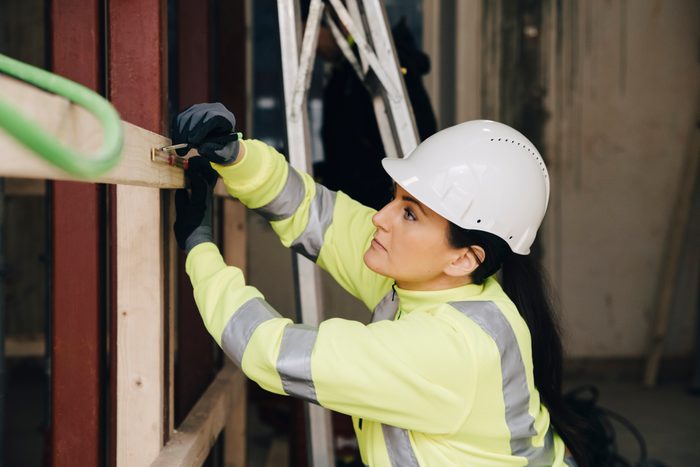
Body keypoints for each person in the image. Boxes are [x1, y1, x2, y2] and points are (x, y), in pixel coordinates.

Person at [171, 103, 589, 466]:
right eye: (395, 198)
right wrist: (237, 154)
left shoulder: (448, 349)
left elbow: (269, 351)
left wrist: (199, 247)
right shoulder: (433, 283)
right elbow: (319, 215)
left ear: (465, 258)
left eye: (410, 213)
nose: (380, 217)